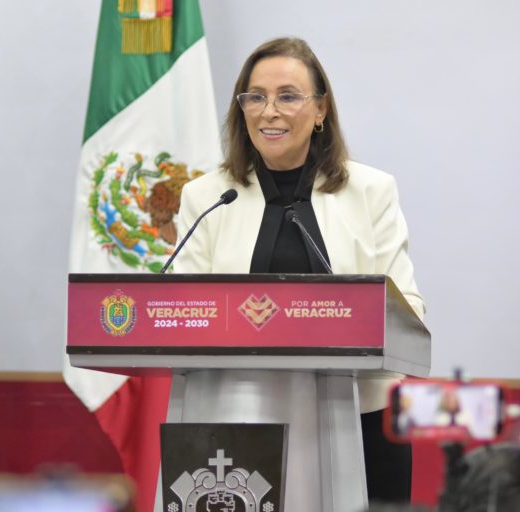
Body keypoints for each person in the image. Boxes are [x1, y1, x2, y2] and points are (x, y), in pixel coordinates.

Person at [174, 37, 425, 504]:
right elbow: (181, 309)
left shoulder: (372, 191)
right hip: (232, 417)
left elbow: (408, 310)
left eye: (288, 96)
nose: (269, 112)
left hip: (360, 415)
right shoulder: (206, 196)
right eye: (255, 97)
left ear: (320, 109)